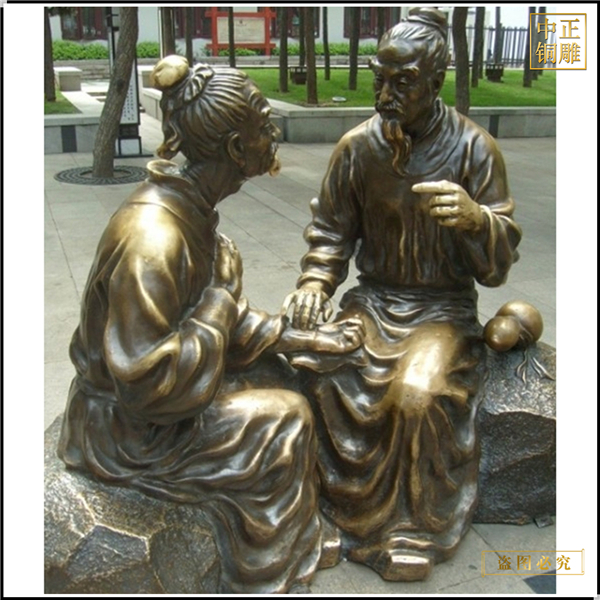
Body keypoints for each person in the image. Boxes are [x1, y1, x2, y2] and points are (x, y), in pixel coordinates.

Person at [57, 56, 363, 594]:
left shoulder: (192, 211)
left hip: (157, 401)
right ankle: (263, 569)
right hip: (128, 430)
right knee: (286, 418)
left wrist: (303, 338)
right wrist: (221, 299)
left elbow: (210, 322)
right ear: (237, 149)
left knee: (285, 373)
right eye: (264, 125)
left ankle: (285, 532)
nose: (273, 134)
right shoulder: (155, 238)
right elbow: (149, 384)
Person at [283, 8, 522, 582]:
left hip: (441, 311)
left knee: (417, 396)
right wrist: (315, 283)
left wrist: (476, 220)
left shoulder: (475, 149)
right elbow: (331, 232)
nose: (385, 94)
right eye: (380, 78)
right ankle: (324, 516)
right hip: (373, 303)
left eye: (403, 82)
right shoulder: (357, 148)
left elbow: (497, 267)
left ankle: (412, 528)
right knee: (314, 371)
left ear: (435, 82)